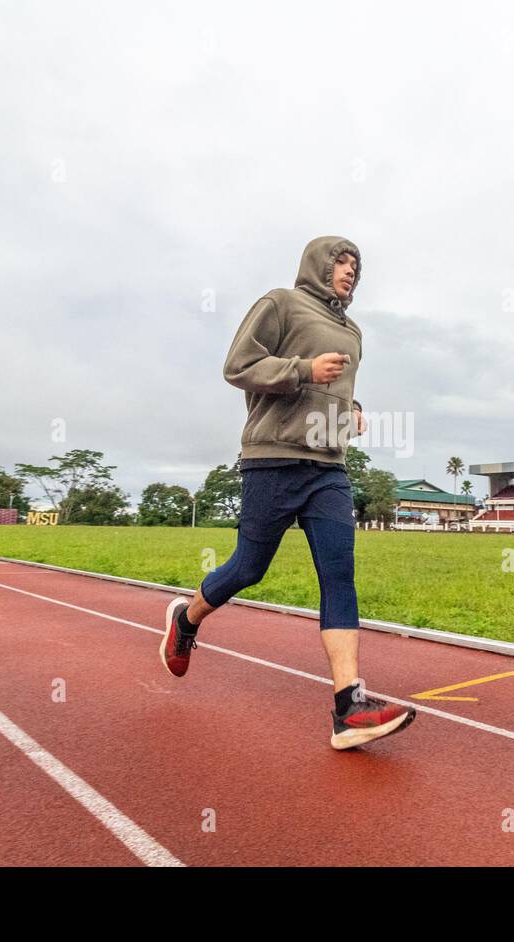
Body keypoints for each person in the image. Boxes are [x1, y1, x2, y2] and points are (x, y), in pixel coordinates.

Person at [159, 236, 416, 750]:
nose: (350, 272)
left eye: (356, 266)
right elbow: (238, 366)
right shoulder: (280, 303)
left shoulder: (353, 331)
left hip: (328, 467)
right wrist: (303, 369)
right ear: (318, 265)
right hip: (272, 460)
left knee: (339, 574)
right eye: (341, 262)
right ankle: (186, 620)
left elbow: (334, 386)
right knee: (248, 568)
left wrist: (353, 406)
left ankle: (348, 706)